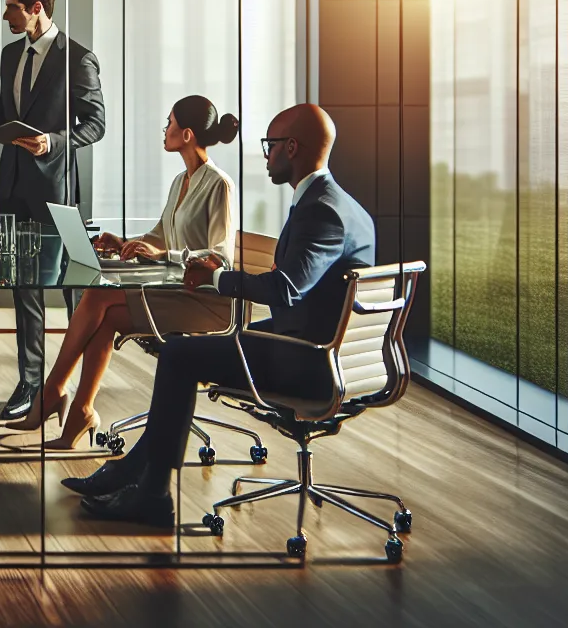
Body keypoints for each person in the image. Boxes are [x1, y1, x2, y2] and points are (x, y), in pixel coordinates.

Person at [71, 104, 375, 528]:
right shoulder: (344, 206)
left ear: (292, 147)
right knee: (186, 352)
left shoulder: (319, 210)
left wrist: (221, 278)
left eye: (270, 146)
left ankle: (152, 494)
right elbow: (302, 288)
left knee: (180, 355)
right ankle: (135, 475)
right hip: (315, 346)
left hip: (305, 362)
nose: (265, 156)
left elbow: (285, 291)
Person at [5, 96, 239, 450]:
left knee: (99, 295)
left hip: (201, 301)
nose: (165, 129)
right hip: (171, 290)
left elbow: (220, 256)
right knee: (107, 317)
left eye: (170, 122)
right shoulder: (181, 180)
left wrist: (166, 254)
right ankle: (81, 409)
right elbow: (161, 233)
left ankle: (51, 392)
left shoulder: (219, 184)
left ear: (187, 134)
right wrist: (126, 242)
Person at [0, 0, 106, 419]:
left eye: (11, 7)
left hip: (57, 191)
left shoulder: (77, 59)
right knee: (24, 287)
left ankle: (77, 390)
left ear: (36, 7)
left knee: (74, 291)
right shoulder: (9, 55)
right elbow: (9, 114)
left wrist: (53, 142)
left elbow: (96, 124)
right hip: (14, 186)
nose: (6, 14)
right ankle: (30, 383)